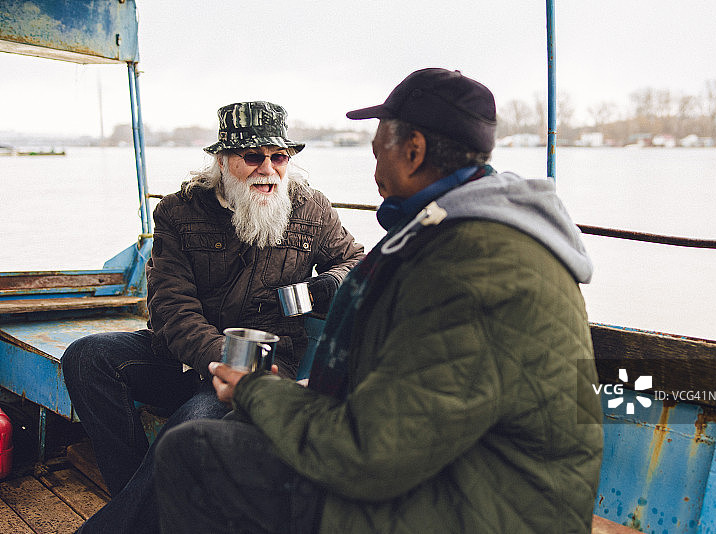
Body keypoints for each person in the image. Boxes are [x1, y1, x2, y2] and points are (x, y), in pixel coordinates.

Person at [155, 69, 603, 533]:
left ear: (413, 151)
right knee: (210, 428)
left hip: (488, 508)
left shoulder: (474, 265)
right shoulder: (459, 238)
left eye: (376, 152)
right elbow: (418, 391)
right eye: (252, 156)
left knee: (194, 450)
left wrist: (255, 390)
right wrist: (301, 391)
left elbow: (369, 456)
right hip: (451, 471)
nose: (374, 174)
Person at [61, 101, 364, 533]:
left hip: (262, 367)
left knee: (190, 427)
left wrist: (325, 285)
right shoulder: (179, 211)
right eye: (252, 156)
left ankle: (128, 519)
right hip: (181, 356)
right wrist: (223, 358)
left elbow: (357, 262)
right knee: (86, 356)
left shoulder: (311, 209)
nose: (268, 169)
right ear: (222, 161)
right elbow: (172, 307)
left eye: (279, 157)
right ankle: (136, 503)